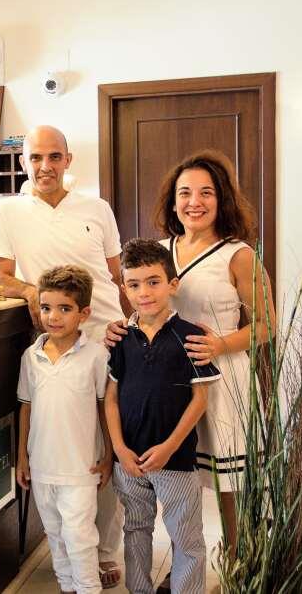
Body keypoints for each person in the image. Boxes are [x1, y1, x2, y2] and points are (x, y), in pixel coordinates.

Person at [105, 150, 276, 575]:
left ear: (222, 199)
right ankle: (184, 569)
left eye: (206, 193)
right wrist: (119, 328)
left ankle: (239, 568)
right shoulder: (159, 251)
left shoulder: (238, 255)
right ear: (173, 200)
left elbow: (267, 325)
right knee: (178, 477)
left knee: (229, 484)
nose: (194, 202)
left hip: (223, 379)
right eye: (185, 193)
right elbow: (144, 306)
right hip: (166, 382)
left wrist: (220, 344)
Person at [0, 124, 126, 587]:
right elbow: (1, 278)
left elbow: (117, 274)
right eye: (35, 157)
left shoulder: (97, 208)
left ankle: (102, 553)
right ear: (23, 162)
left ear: (68, 160)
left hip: (107, 337)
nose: (44, 166)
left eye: (54, 157)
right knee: (71, 447)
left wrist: (138, 328)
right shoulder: (8, 212)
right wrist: (36, 294)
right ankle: (72, 555)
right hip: (57, 341)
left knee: (106, 443)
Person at [105, 238, 219, 594]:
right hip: (129, 460)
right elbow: (111, 399)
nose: (144, 292)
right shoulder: (121, 338)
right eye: (134, 284)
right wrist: (119, 450)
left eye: (153, 282)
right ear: (124, 289)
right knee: (136, 530)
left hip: (176, 459)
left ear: (172, 284)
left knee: (186, 537)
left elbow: (200, 399)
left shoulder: (191, 336)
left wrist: (169, 446)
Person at [16, 265, 112, 594]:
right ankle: (67, 586)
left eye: (64, 309)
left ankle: (88, 588)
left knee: (79, 536)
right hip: (42, 467)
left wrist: (108, 456)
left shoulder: (97, 356)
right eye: (46, 308)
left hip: (81, 467)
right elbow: (26, 408)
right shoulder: (30, 357)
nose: (53, 317)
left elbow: (104, 409)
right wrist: (23, 458)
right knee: (55, 535)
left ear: (84, 314)